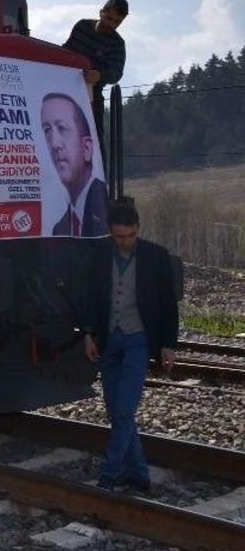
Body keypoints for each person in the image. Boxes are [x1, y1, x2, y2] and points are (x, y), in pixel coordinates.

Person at [81, 200, 179, 492]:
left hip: (138, 340)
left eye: (129, 236)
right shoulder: (99, 256)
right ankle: (139, 475)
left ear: (137, 229)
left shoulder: (156, 257)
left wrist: (168, 345)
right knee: (116, 411)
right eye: (118, 237)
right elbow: (91, 298)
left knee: (124, 411)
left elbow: (168, 305)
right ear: (111, 233)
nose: (124, 242)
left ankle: (109, 475)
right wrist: (88, 334)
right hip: (109, 340)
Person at [63, 0, 128, 154]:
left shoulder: (117, 44)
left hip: (93, 95)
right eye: (109, 18)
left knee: (94, 139)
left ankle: (101, 175)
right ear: (101, 12)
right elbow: (66, 50)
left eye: (117, 22)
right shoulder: (81, 26)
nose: (111, 24)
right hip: (65, 87)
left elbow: (116, 73)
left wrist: (99, 76)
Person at [41, 92, 109, 237]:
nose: (54, 144)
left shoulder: (108, 208)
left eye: (62, 128)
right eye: (47, 131)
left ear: (87, 148)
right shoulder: (59, 229)